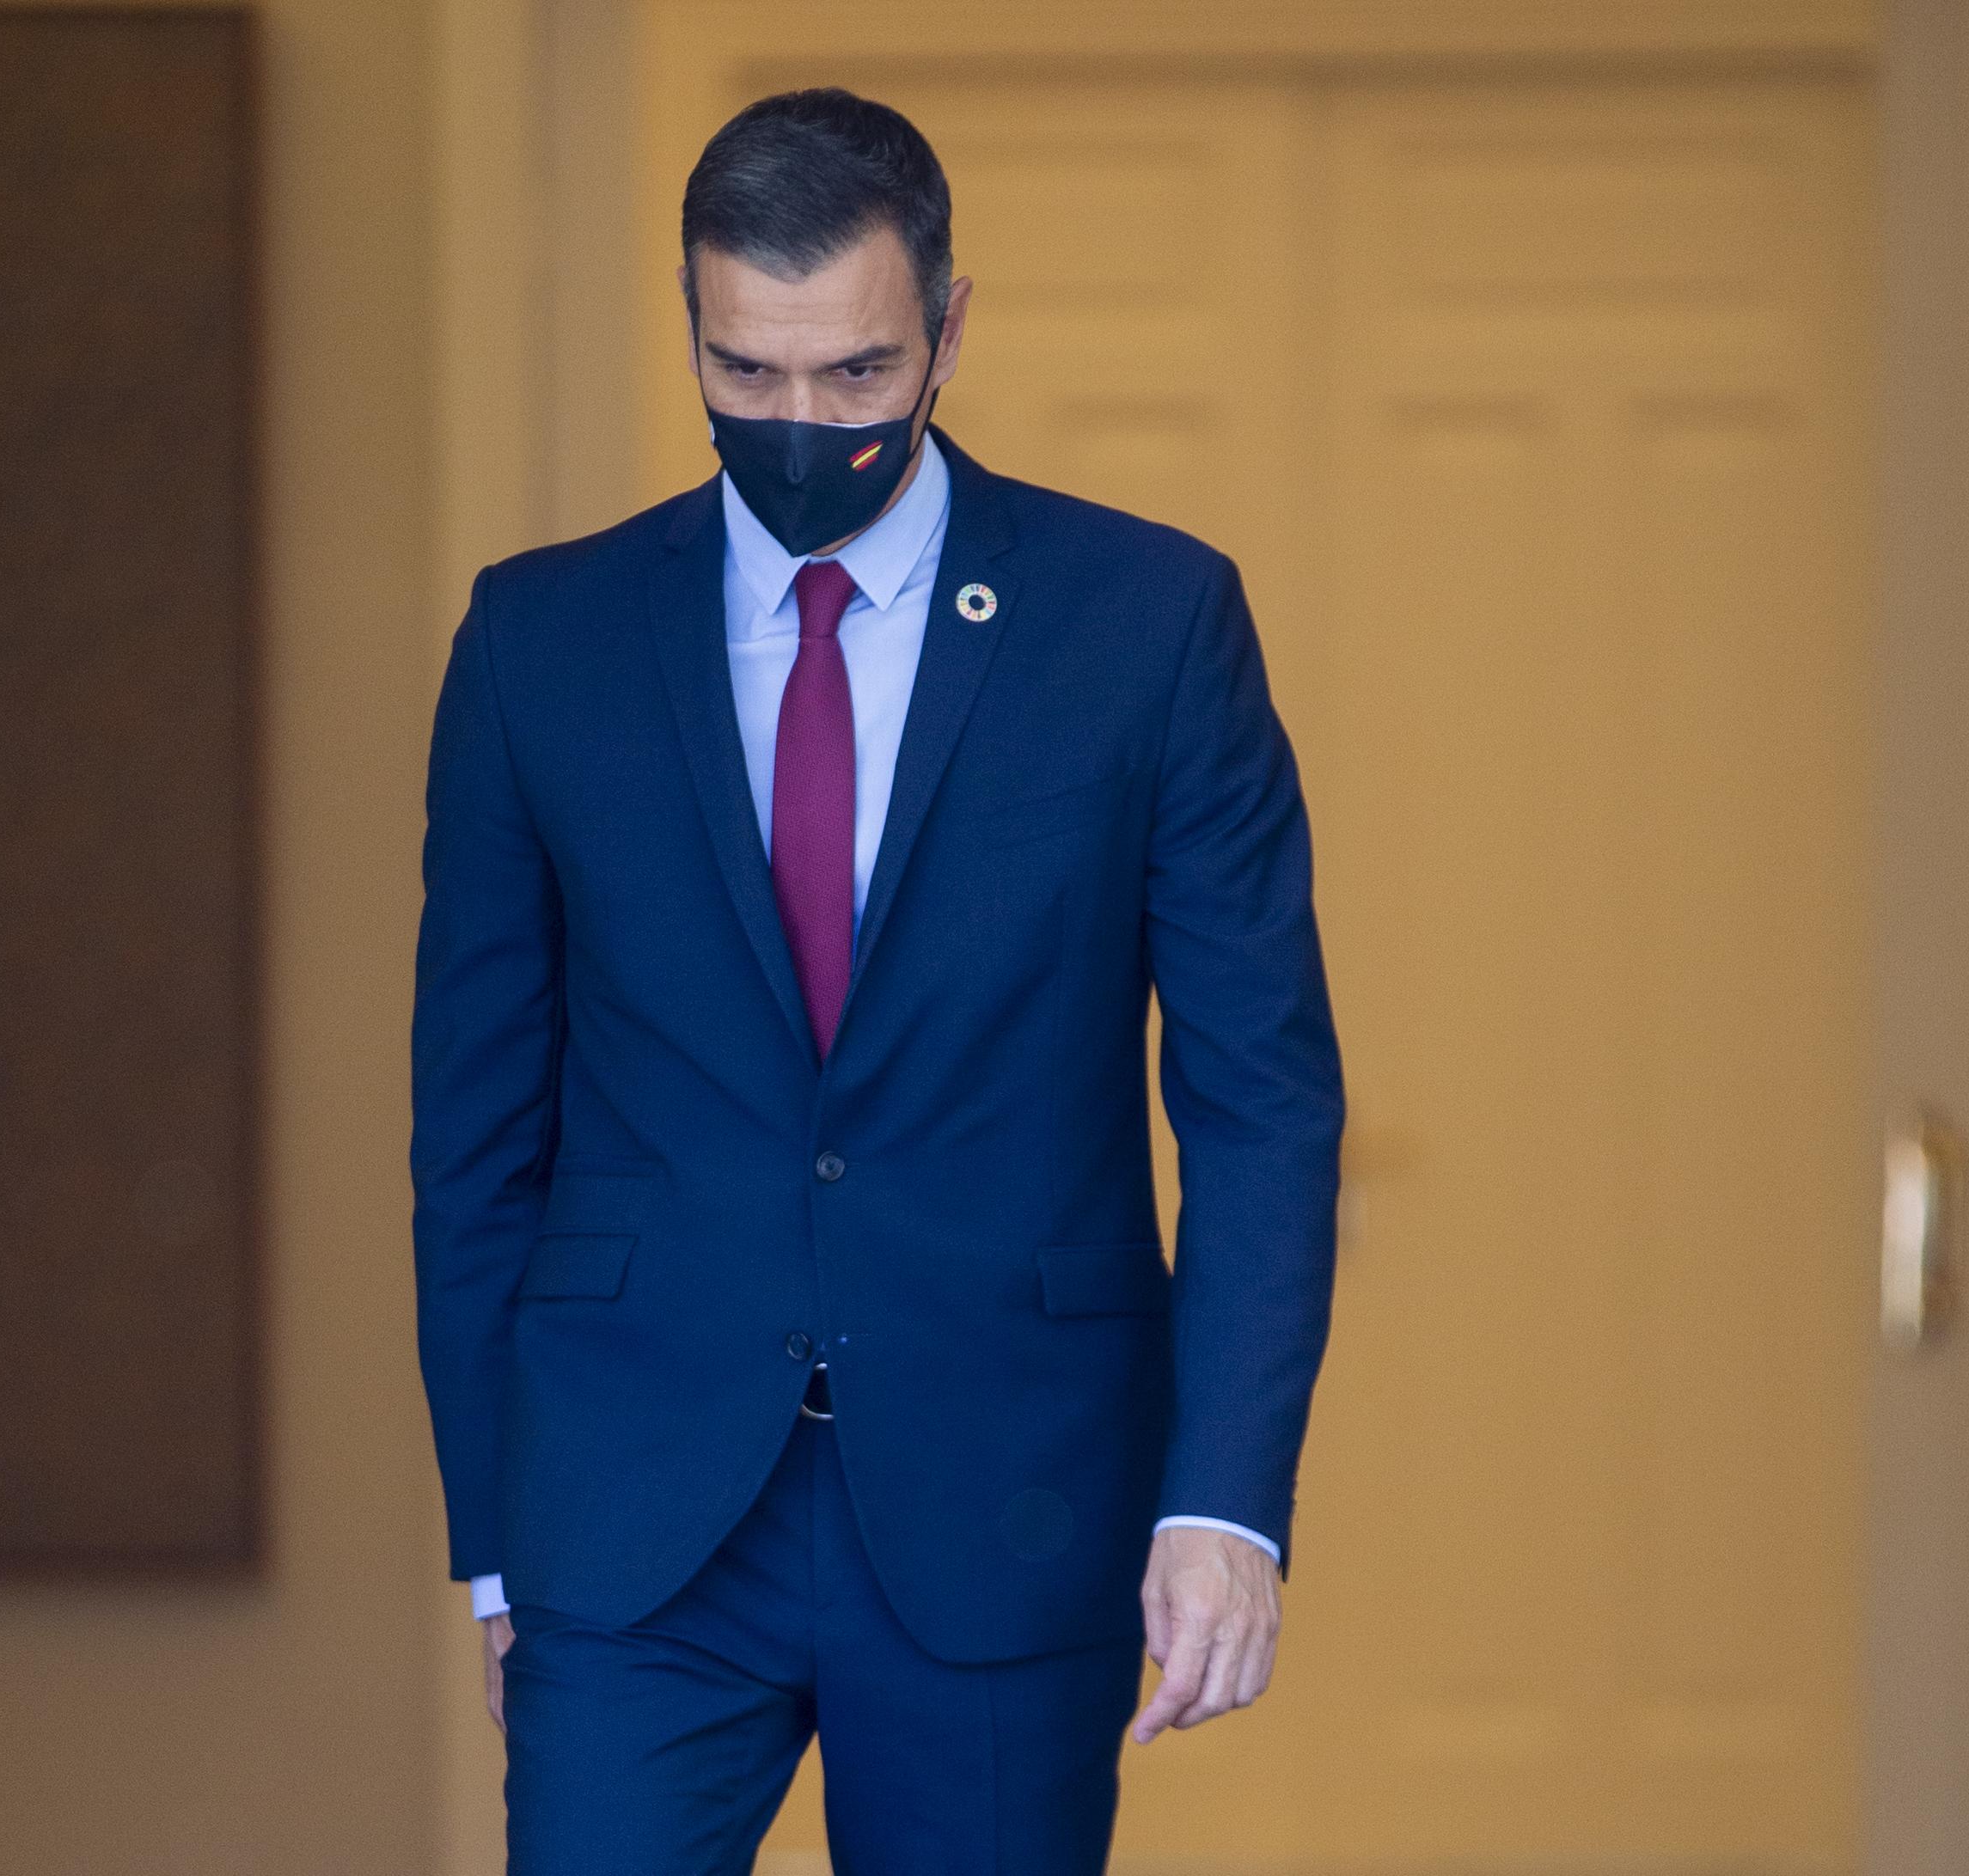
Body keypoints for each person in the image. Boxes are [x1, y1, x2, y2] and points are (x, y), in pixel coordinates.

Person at [410, 85, 1342, 1873]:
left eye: (853, 373)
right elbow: (475, 1127)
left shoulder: (1146, 625)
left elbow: (1258, 1098)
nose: (799, 421)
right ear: (693, 327)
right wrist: (496, 1535)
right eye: (746, 374)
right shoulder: (541, 642)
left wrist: (1224, 1499)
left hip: (1013, 1494)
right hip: (635, 1513)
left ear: (949, 326)